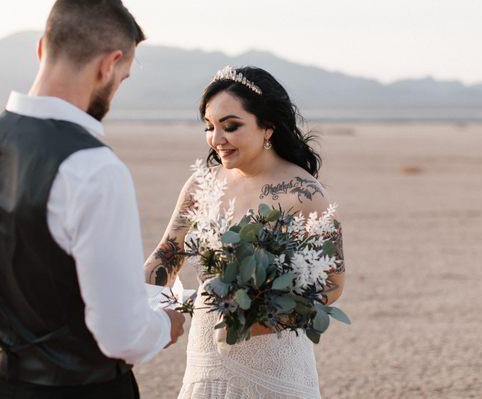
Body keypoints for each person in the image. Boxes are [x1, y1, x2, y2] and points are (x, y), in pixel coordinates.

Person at [0, 1, 185, 397]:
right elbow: (122, 335)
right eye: (122, 78)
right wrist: (166, 323)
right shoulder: (94, 167)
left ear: (40, 49)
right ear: (109, 64)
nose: (116, 89)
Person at [144, 65, 346, 398]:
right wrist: (136, 310)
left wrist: (254, 325)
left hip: (274, 362)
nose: (216, 139)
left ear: (267, 126)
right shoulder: (202, 184)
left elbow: (332, 284)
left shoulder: (302, 193)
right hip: (206, 357)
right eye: (209, 127)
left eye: (231, 126)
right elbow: (168, 254)